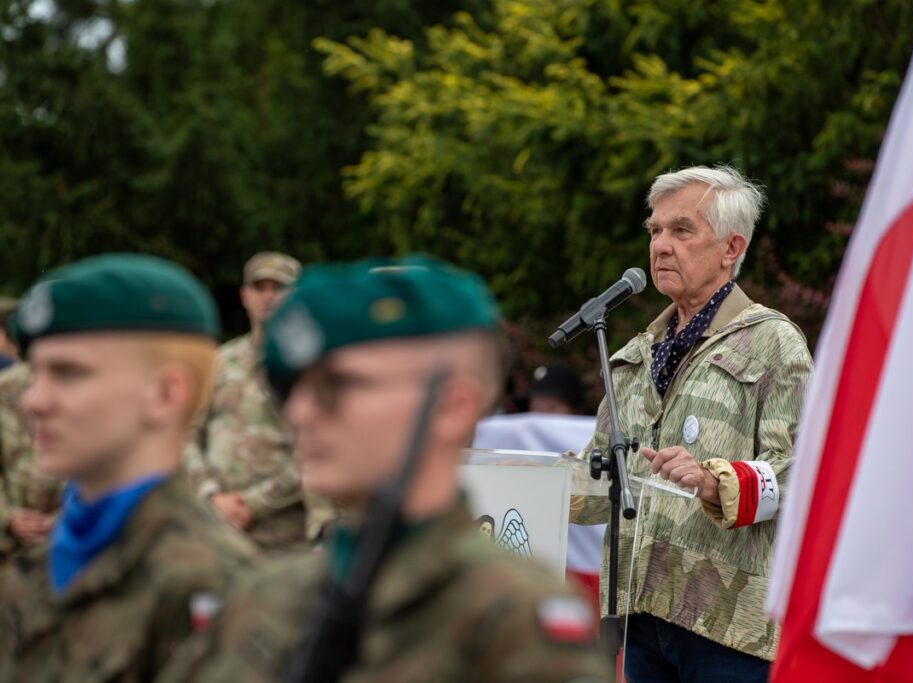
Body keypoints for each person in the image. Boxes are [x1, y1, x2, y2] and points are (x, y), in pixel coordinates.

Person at [161, 256, 611, 683]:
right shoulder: (264, 600)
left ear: (451, 407)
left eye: (338, 386)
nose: (299, 413)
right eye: (294, 390)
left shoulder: (515, 618)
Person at [570, 165, 813, 682]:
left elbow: (802, 476)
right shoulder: (633, 357)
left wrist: (713, 481)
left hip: (729, 630)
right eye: (655, 231)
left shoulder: (773, 343)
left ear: (730, 248)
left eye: (682, 230)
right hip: (638, 615)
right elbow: (597, 487)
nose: (660, 245)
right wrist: (507, 481)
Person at [0, 254, 254, 680]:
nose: (34, 401)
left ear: (166, 394)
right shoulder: (35, 572)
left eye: (69, 374)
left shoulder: (213, 585)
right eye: (36, 372)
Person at [191, 251, 309, 552]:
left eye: (278, 288)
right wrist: (210, 496)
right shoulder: (218, 362)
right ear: (245, 295)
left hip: (286, 537)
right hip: (217, 532)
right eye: (260, 288)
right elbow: (186, 434)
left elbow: (321, 447)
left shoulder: (310, 367)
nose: (268, 297)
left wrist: (252, 504)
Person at [0, 361, 62, 566]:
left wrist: (61, 520)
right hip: (8, 546)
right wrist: (9, 517)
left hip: (68, 538)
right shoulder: (5, 387)